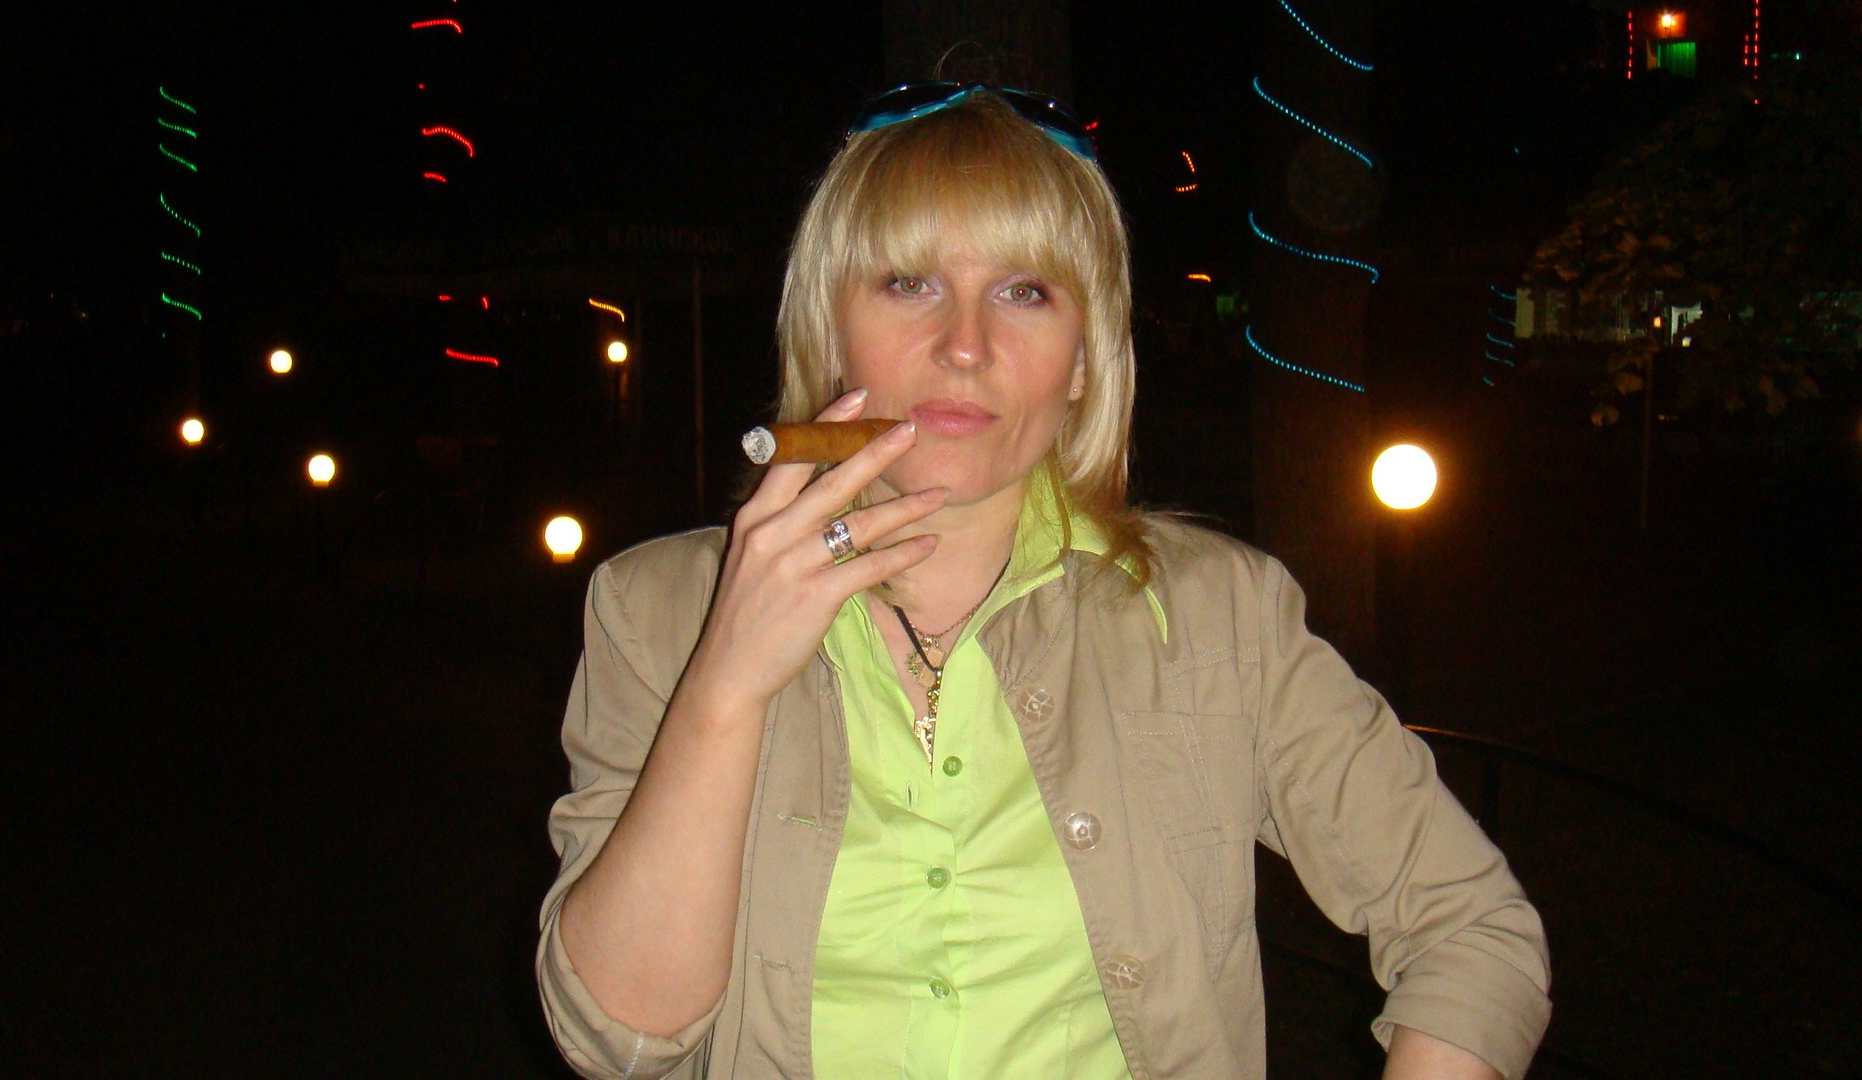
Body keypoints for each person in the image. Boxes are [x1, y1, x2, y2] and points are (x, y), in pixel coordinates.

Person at [536, 84, 1550, 1080]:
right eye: (908, 283)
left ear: (1082, 362)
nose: (964, 346)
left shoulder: (1218, 616)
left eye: (1025, 292)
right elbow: (618, 1036)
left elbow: (1472, 930)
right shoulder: (655, 610)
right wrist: (724, 686)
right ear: (830, 327)